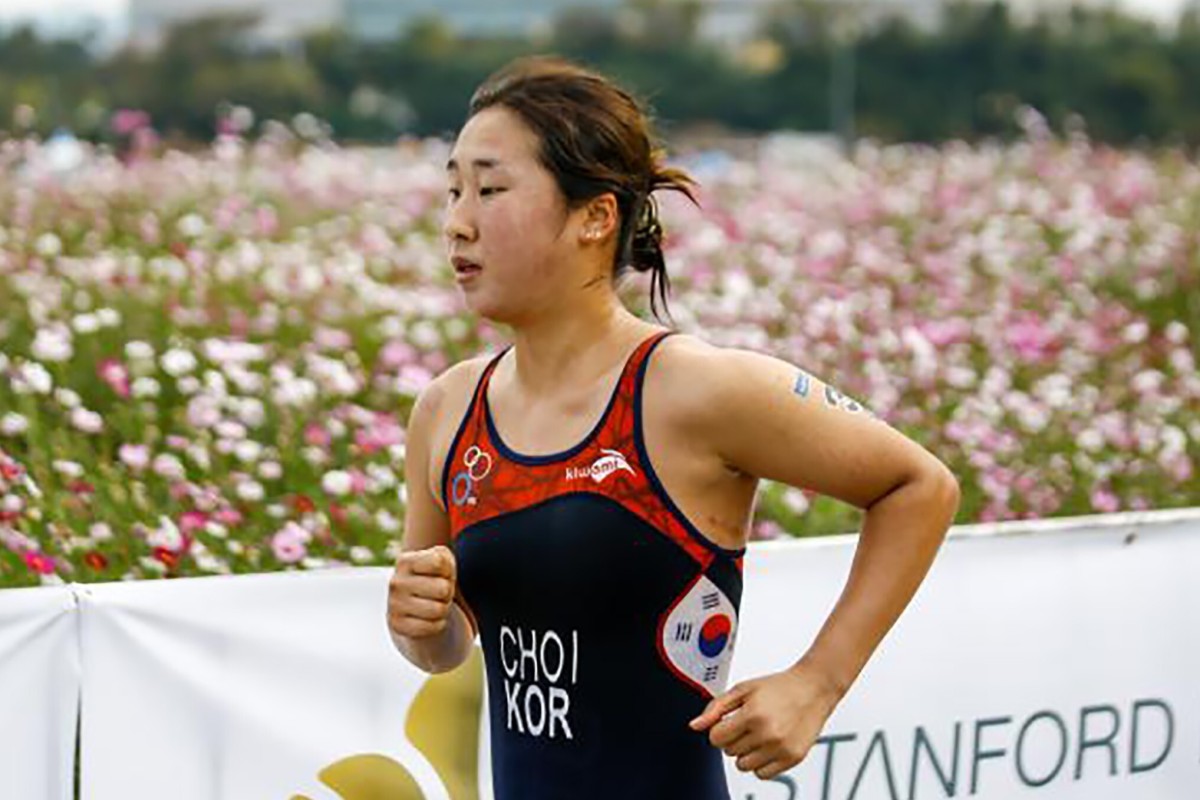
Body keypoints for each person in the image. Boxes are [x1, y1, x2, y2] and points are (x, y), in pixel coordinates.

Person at [387, 56, 960, 800]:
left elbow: (919, 486)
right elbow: (443, 645)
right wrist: (420, 624)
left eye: (490, 190)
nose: (457, 222)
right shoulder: (448, 409)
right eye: (453, 190)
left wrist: (818, 682)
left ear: (596, 217)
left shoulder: (691, 389)